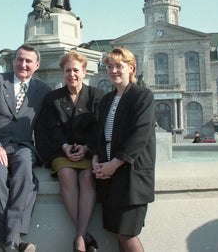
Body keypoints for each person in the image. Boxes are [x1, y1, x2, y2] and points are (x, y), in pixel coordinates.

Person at [0, 44, 52, 252]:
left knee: (25, 171)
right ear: (13, 61)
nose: (23, 64)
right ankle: (13, 239)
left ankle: (9, 238)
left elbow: (47, 125)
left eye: (29, 61)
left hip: (24, 147)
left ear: (37, 65)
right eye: (19, 59)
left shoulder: (44, 90)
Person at [37, 50, 103, 252]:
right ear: (62, 73)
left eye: (76, 70)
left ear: (84, 72)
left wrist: (88, 148)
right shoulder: (53, 98)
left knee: (87, 177)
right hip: (61, 150)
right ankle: (83, 235)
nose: (71, 74)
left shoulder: (98, 96)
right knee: (66, 174)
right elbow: (50, 128)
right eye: (67, 71)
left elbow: (101, 128)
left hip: (88, 150)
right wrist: (65, 147)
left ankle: (80, 238)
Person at [92, 48, 156, 252]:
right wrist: (95, 158)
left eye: (119, 66)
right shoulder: (107, 99)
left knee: (126, 233)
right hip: (110, 177)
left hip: (131, 175)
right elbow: (99, 133)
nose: (113, 70)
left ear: (131, 68)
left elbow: (140, 134)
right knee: (117, 232)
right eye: (110, 66)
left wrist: (115, 164)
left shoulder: (142, 95)